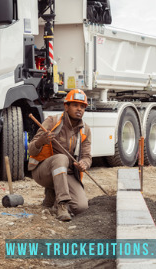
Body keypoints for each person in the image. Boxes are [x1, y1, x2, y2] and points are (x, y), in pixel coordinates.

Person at [28, 89, 92, 221]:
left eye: (82, 106)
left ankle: (52, 195)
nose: (79, 109)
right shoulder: (52, 122)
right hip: (42, 172)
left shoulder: (85, 129)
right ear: (66, 106)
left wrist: (84, 164)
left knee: (81, 207)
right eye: (75, 105)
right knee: (61, 159)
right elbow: (31, 150)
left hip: (66, 174)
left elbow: (87, 156)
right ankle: (61, 205)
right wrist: (41, 141)